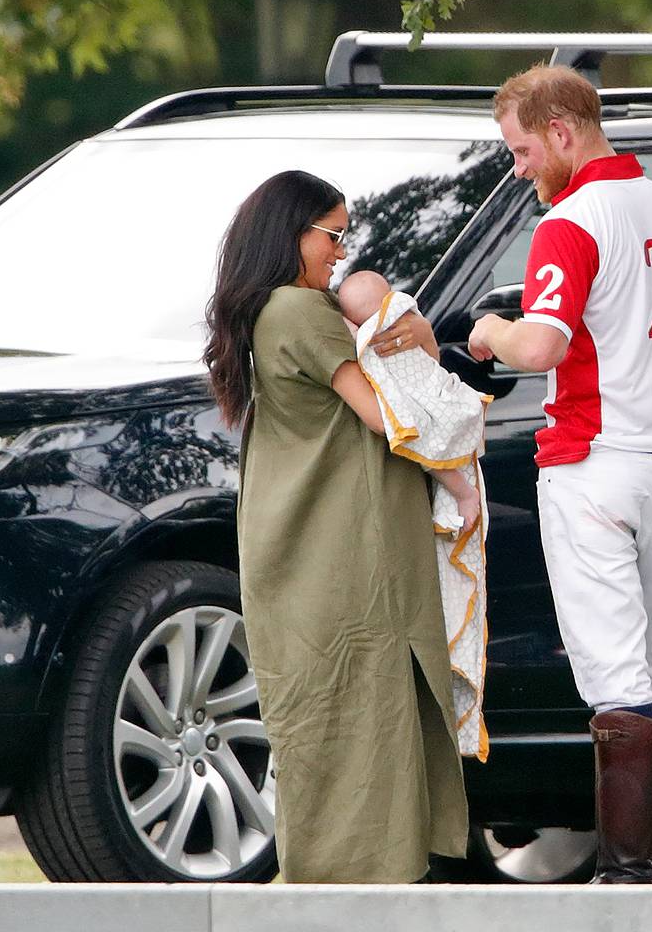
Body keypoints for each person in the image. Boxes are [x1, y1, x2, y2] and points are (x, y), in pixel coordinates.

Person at [468, 66, 652, 884]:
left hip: (592, 466)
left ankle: (629, 874)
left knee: (613, 677)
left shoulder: (571, 222)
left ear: (562, 132)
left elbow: (544, 346)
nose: (520, 167)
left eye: (524, 150)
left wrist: (493, 328)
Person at [203, 170, 468, 883]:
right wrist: (422, 352)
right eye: (332, 235)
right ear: (292, 233)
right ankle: (360, 890)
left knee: (322, 728)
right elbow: (391, 416)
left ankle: (330, 884)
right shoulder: (301, 311)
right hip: (344, 555)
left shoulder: (265, 313)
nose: (340, 252)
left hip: (298, 554)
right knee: (365, 725)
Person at [336, 268, 492, 760]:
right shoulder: (346, 340)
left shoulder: (395, 329)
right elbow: (399, 418)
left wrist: (425, 342)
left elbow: (417, 393)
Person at [337, 269, 482, 536]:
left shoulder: (383, 329)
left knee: (430, 447)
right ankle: (462, 496)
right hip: (437, 400)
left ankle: (464, 495)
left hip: (429, 403)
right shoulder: (408, 315)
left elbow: (427, 365)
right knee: (433, 447)